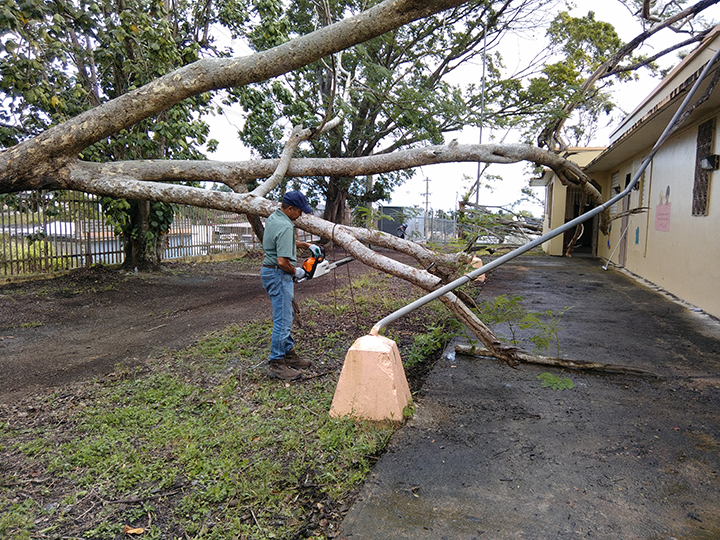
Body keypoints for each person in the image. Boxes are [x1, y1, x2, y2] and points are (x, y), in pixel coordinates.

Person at [261, 190, 321, 380]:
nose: (300, 214)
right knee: (283, 319)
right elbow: (282, 261)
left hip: (269, 272)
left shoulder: (274, 218)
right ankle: (276, 363)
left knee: (286, 314)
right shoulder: (287, 226)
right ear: (290, 208)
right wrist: (297, 272)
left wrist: (306, 246)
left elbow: (282, 240)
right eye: (299, 211)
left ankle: (287, 353)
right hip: (278, 273)